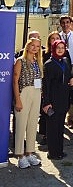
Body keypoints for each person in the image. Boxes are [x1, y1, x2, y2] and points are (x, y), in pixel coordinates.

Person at [12, 38, 44, 168]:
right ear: (27, 46)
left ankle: (30, 152)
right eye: (33, 45)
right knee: (21, 124)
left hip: (36, 93)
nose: (35, 48)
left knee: (32, 124)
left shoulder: (37, 62)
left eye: (37, 46)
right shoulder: (20, 61)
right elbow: (15, 80)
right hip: (23, 93)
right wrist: (18, 99)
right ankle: (20, 155)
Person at [42, 40, 73, 160]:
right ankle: (52, 152)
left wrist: (72, 79)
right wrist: (46, 102)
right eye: (58, 47)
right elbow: (46, 85)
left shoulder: (65, 61)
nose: (60, 50)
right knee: (52, 127)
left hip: (64, 99)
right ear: (53, 48)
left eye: (63, 47)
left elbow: (68, 76)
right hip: (53, 100)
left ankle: (59, 150)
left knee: (60, 127)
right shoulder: (49, 64)